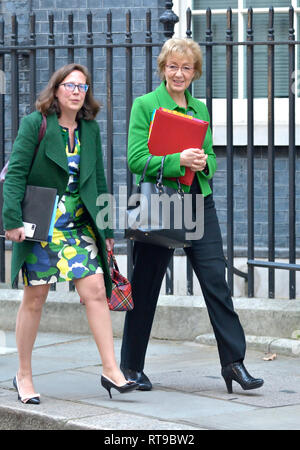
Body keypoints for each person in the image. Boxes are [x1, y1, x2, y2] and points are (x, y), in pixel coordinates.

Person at [120, 38, 264, 394]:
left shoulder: (200, 109)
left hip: (200, 204)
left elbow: (212, 158)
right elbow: (136, 159)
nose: (179, 73)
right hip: (162, 204)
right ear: (163, 69)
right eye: (173, 66)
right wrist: (176, 161)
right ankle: (131, 367)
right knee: (146, 284)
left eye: (186, 67)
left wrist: (202, 163)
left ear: (195, 71)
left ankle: (233, 363)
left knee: (216, 281)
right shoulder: (146, 105)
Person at [2, 63, 137, 403]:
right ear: (57, 90)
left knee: (95, 289)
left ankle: (111, 370)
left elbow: (99, 178)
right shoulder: (37, 124)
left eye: (83, 86)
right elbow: (16, 173)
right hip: (42, 222)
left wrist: (105, 227)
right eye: (70, 85)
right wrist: (11, 220)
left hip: (79, 222)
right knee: (36, 296)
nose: (77, 91)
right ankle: (24, 375)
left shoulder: (89, 129)